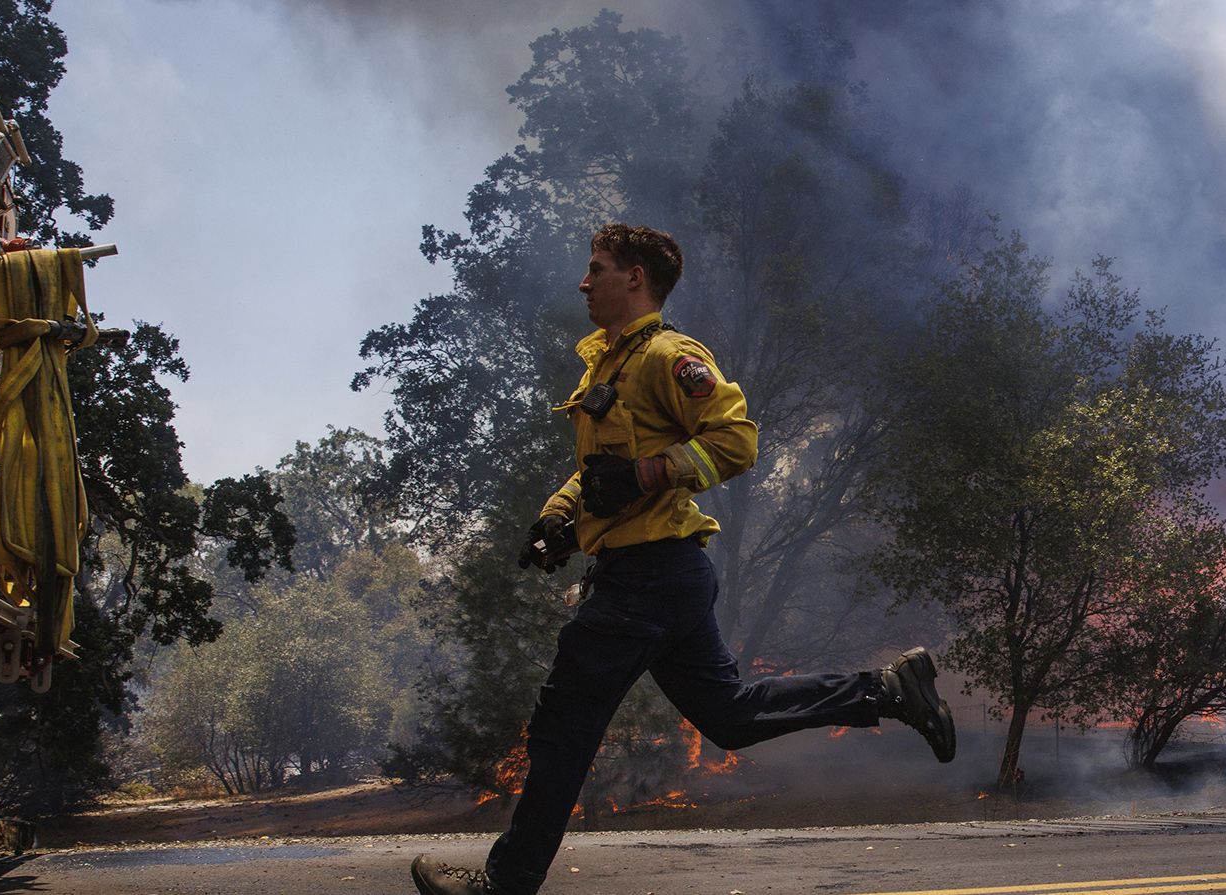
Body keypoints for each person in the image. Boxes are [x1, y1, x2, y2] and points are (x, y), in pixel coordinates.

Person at [410, 224, 956, 895]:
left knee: (563, 722)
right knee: (729, 714)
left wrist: (645, 475)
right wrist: (559, 517)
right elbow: (597, 475)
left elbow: (734, 440)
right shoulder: (605, 369)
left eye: (597, 268)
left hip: (649, 575)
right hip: (657, 576)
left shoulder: (669, 356)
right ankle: (888, 690)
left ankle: (506, 881)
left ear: (634, 277)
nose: (585, 282)